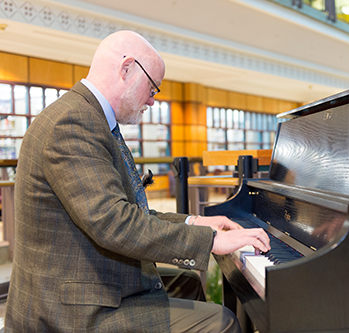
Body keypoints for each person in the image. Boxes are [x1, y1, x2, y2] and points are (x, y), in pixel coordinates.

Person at [4, 30, 270, 332]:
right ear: (127, 68)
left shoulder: (92, 119)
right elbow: (114, 223)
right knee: (221, 322)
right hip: (68, 307)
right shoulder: (74, 122)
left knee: (186, 282)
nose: (153, 100)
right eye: (153, 88)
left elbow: (129, 213)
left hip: (83, 280)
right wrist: (212, 241)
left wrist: (195, 223)